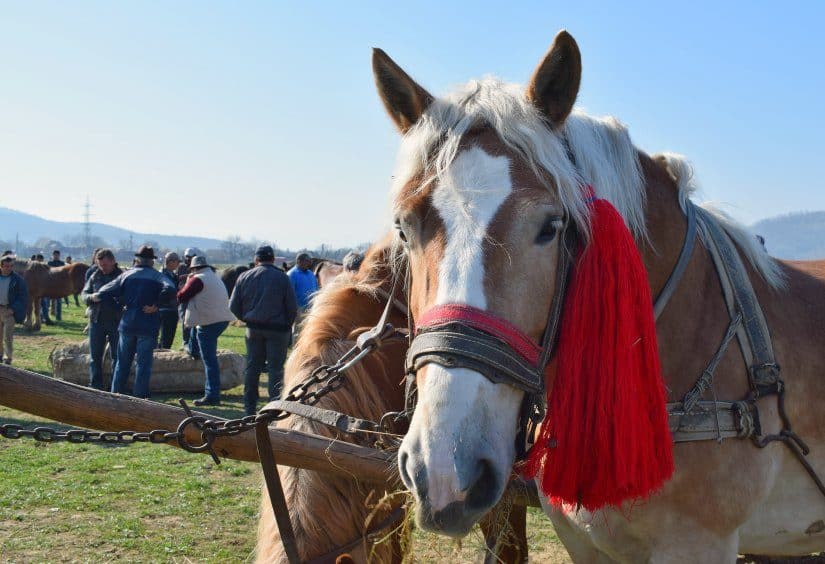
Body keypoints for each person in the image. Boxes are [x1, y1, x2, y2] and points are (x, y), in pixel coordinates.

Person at [91, 246, 174, 399]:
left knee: (122, 362)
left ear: (137, 259)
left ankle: (116, 394)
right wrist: (156, 304)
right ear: (151, 261)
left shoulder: (126, 275)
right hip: (148, 324)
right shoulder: (157, 276)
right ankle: (139, 396)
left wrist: (117, 302)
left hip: (127, 323)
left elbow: (104, 292)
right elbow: (170, 289)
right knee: (143, 364)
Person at [230, 245, 297, 416]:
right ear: (273, 259)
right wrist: (287, 326)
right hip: (278, 330)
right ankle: (273, 409)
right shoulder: (282, 277)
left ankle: (249, 408)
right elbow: (291, 307)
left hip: (253, 329)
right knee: (276, 370)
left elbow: (233, 306)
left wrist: (247, 319)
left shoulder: (244, 276)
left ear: (256, 259)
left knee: (252, 368)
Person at [177, 255, 234, 406]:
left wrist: (186, 282)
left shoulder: (197, 279)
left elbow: (181, 297)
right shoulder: (214, 277)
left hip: (208, 321)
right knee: (197, 332)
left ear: (194, 268)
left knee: (209, 360)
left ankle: (212, 394)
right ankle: (193, 350)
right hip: (220, 319)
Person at [80, 249, 123, 390]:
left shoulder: (122, 277)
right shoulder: (94, 276)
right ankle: (95, 385)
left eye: (105, 264)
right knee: (95, 357)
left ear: (113, 261)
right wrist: (91, 297)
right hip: (96, 321)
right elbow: (84, 294)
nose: (102, 267)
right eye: (100, 264)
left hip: (116, 321)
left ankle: (114, 386)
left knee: (117, 357)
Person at [0, 254, 28, 365]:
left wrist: (13, 309)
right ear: (1, 266)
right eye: (6, 266)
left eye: (11, 266)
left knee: (8, 337)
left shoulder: (18, 280)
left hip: (9, 311)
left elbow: (23, 296)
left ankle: (8, 358)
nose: (9, 268)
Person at [177, 248, 201, 359]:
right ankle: (185, 341)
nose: (187, 259)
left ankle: (194, 343)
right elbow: (178, 280)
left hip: (194, 297)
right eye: (186, 257)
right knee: (184, 320)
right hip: (184, 296)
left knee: (194, 321)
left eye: (189, 257)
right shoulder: (182, 267)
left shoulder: (197, 267)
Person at [287, 252, 318, 334]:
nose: (310, 263)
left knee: (309, 331)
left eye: (310, 261)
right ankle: (296, 347)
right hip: (299, 308)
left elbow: (316, 289)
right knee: (298, 331)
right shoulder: (291, 274)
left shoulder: (311, 274)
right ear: (299, 261)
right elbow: (289, 294)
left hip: (312, 307)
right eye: (307, 261)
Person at [157, 252, 180, 349]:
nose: (178, 264)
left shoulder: (171, 274)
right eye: (177, 261)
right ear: (170, 262)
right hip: (165, 309)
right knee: (166, 339)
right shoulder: (162, 275)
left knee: (168, 339)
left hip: (171, 309)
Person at [45, 250, 65, 321]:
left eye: (57, 255)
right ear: (52, 255)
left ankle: (58, 317)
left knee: (59, 302)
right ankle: (46, 316)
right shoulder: (49, 263)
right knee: (47, 302)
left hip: (59, 285)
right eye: (55, 255)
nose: (56, 256)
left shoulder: (62, 263)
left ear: (59, 255)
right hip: (50, 285)